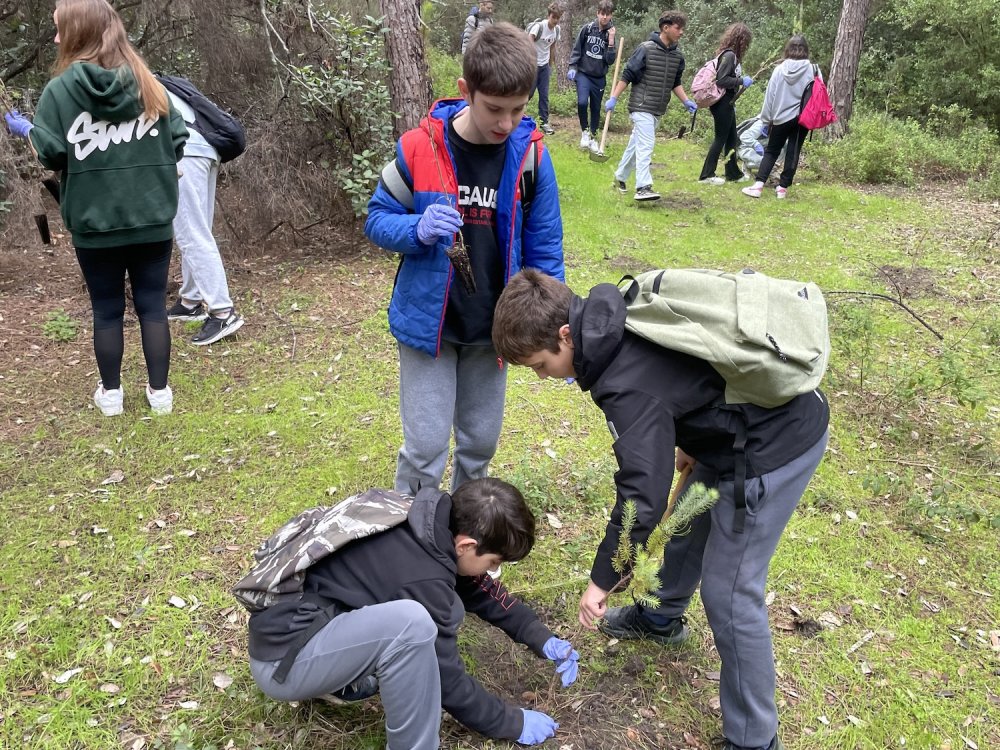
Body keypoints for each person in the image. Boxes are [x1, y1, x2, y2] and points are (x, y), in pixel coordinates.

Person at [491, 269, 830, 750]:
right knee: (688, 522)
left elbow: (640, 498)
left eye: (541, 365)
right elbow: (686, 376)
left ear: (566, 334)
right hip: (731, 433)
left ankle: (755, 739)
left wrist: (602, 579)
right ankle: (660, 617)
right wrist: (695, 435)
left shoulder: (623, 383)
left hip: (772, 444)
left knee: (730, 593)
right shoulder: (610, 318)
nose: (544, 378)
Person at [364, 23, 565, 495]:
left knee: (479, 445)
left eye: (518, 110)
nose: (506, 123)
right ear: (465, 90)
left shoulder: (532, 157)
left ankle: (464, 539)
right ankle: (412, 547)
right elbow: (377, 219)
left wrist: (552, 324)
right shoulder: (419, 148)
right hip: (428, 327)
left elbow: (545, 250)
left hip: (493, 329)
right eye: (494, 108)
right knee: (426, 447)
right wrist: (416, 228)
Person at [248, 477, 580, 749]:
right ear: (465, 545)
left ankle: (344, 681)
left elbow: (474, 587)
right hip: (285, 663)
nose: (492, 572)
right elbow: (447, 681)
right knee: (413, 626)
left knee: (443, 610)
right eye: (493, 562)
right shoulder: (423, 576)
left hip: (302, 627)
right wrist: (512, 722)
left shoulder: (422, 519)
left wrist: (541, 637)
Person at [4, 0, 187, 416]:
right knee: (152, 306)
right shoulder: (148, 82)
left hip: (94, 224)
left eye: (58, 29)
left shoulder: (60, 90)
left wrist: (28, 129)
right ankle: (160, 395)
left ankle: (112, 397)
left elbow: (51, 154)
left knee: (106, 311)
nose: (54, 38)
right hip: (152, 220)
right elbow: (178, 139)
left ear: (77, 32)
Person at [164, 88, 245, 345]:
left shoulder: (130, 80)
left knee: (191, 233)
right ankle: (190, 301)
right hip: (205, 149)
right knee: (199, 229)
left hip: (184, 153)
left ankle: (222, 312)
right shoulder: (154, 79)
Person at [605, 11, 697, 202]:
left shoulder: (677, 56)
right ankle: (643, 187)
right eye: (678, 28)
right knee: (646, 144)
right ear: (665, 28)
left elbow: (675, 82)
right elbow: (628, 75)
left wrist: (686, 101)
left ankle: (620, 177)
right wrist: (613, 98)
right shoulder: (645, 49)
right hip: (641, 106)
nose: (681, 32)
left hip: (657, 109)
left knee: (636, 144)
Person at [742, 35, 815, 200]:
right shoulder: (813, 70)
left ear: (787, 49)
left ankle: (758, 185)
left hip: (780, 118)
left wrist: (766, 120)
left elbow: (770, 98)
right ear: (806, 50)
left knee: (771, 151)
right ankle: (782, 188)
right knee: (793, 152)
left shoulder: (779, 70)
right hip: (802, 118)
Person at [698, 22, 754, 185]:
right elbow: (722, 80)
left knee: (731, 138)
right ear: (741, 40)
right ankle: (706, 175)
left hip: (728, 102)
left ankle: (732, 173)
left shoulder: (730, 57)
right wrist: (741, 80)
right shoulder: (729, 56)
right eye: (746, 42)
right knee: (721, 138)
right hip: (721, 103)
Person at [567, 0, 617, 153]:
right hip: (583, 74)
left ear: (611, 16)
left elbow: (610, 60)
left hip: (599, 77)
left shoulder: (611, 33)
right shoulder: (587, 29)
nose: (604, 17)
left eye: (607, 15)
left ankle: (594, 138)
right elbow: (577, 50)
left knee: (595, 108)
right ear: (597, 13)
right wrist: (572, 67)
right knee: (582, 103)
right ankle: (585, 132)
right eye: (602, 14)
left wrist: (611, 41)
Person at [527, 3, 563, 135]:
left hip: (544, 66)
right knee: (528, 93)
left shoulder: (557, 30)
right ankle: (518, 116)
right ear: (549, 16)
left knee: (544, 95)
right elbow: (528, 41)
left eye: (558, 18)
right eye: (554, 17)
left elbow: (552, 47)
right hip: (532, 65)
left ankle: (544, 122)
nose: (555, 20)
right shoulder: (539, 27)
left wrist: (550, 64)